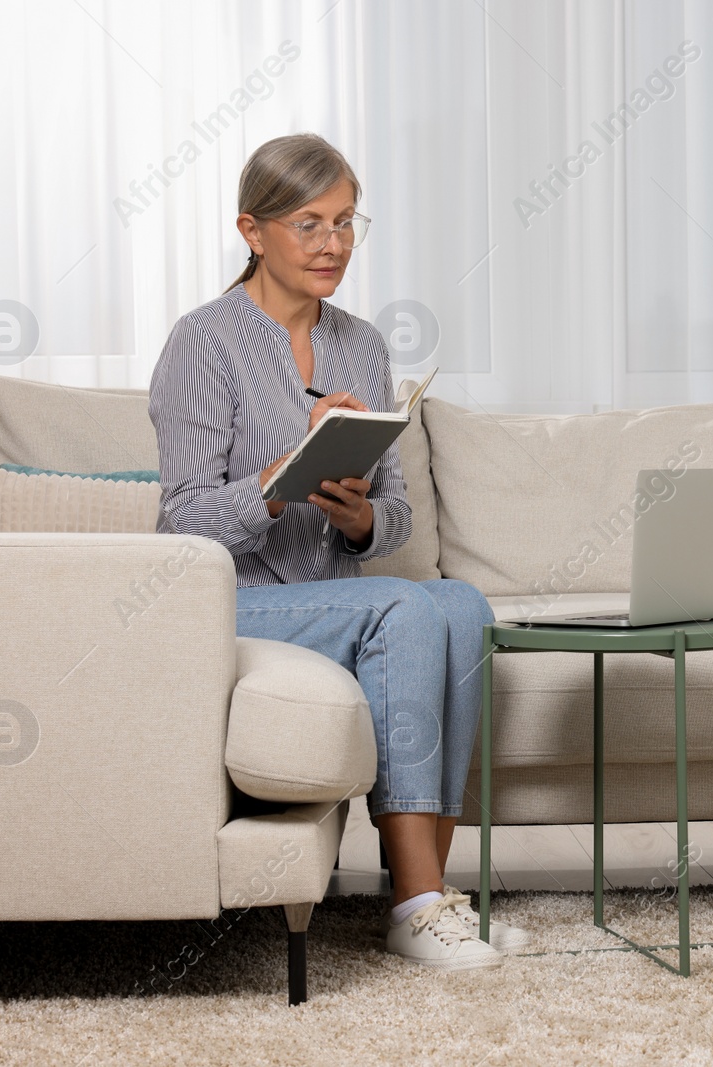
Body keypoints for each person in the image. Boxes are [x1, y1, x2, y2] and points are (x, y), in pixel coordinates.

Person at [149, 132, 521, 972]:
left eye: (346, 222)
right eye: (309, 223)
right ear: (253, 230)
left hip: (333, 599)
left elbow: (396, 518)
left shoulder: (361, 344)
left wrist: (356, 519)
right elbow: (181, 526)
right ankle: (418, 905)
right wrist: (281, 481)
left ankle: (428, 897)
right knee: (400, 602)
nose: (333, 245)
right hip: (230, 608)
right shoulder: (203, 342)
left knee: (460, 602)